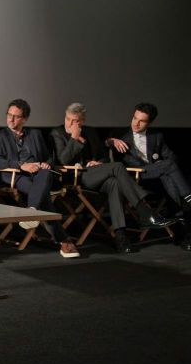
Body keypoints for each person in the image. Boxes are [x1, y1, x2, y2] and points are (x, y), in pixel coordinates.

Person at [49, 102, 175, 253]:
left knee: (114, 183)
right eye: (68, 118)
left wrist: (97, 162)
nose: (70, 123)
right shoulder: (57, 133)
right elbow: (62, 161)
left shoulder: (90, 132)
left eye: (75, 121)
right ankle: (144, 211)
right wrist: (74, 138)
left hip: (94, 173)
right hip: (75, 177)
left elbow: (104, 158)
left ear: (82, 120)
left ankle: (121, 237)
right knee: (118, 166)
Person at [0, 99, 80, 258]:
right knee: (42, 195)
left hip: (40, 175)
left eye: (16, 116)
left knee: (44, 174)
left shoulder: (35, 134)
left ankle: (32, 211)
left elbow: (48, 158)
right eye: (9, 115)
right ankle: (63, 239)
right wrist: (21, 165)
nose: (10, 119)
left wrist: (46, 164)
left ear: (24, 119)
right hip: (16, 176)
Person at [107, 102, 191, 250]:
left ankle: (181, 233)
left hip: (154, 178)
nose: (136, 123)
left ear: (149, 123)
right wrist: (112, 140)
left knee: (169, 176)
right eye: (134, 118)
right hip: (133, 178)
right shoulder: (120, 134)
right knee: (168, 167)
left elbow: (171, 157)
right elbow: (104, 144)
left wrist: (158, 164)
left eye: (142, 121)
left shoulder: (156, 136)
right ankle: (188, 199)